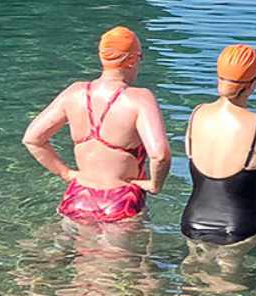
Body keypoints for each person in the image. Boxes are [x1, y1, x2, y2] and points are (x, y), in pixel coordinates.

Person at [22, 26, 171, 224]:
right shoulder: (139, 99)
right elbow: (160, 155)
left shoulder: (74, 92)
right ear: (133, 59)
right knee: (117, 256)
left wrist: (65, 173)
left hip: (77, 198)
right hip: (120, 202)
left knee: (71, 254)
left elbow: (33, 139)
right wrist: (155, 185)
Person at [180, 44, 256, 252]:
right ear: (253, 83)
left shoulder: (197, 113)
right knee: (231, 283)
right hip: (238, 227)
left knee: (191, 279)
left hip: (192, 221)